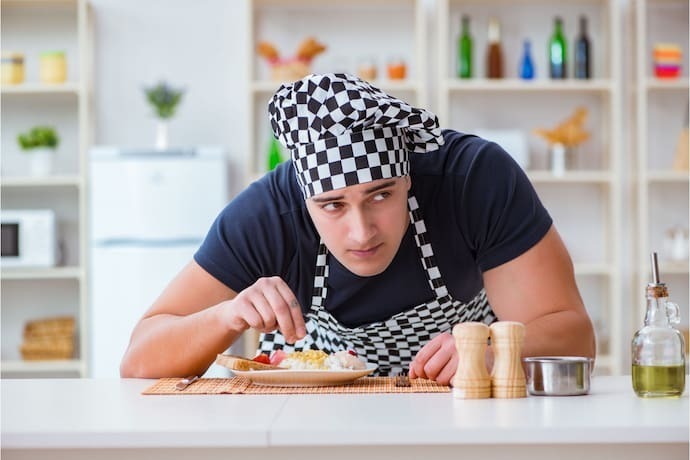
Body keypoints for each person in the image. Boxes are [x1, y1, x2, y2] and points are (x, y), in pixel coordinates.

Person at [120, 73, 595, 384]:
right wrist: (224, 317)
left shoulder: (474, 180)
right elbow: (139, 361)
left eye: (382, 195)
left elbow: (573, 334)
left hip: (463, 414)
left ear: (408, 176)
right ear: (304, 199)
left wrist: (489, 350)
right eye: (331, 206)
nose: (361, 231)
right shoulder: (266, 214)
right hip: (309, 427)